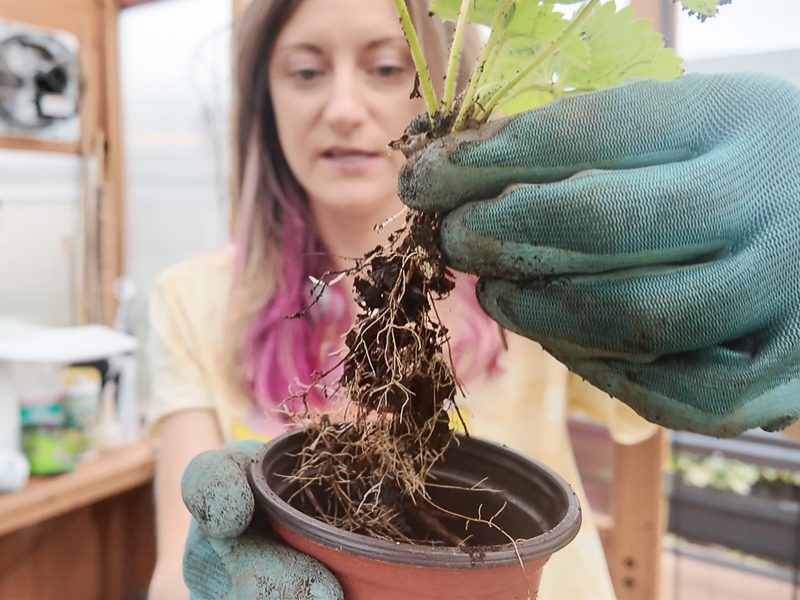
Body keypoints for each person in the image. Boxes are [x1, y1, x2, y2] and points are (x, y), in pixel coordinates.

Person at [147, 0, 800, 598]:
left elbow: (734, 386)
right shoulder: (191, 300)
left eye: (385, 67)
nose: (343, 108)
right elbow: (175, 568)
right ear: (265, 99)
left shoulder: (537, 272)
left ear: (443, 81)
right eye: (306, 72)